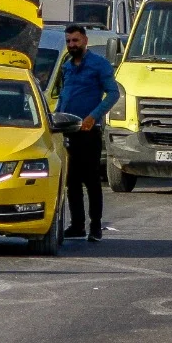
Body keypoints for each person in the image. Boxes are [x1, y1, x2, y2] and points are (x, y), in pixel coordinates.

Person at [56, 24, 120, 242]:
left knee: (91, 180)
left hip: (89, 132)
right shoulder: (67, 66)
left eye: (75, 40)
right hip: (68, 130)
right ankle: (77, 225)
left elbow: (113, 94)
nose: (72, 45)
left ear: (85, 40)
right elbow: (64, 95)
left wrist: (93, 117)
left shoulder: (99, 64)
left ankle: (95, 226)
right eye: (68, 41)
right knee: (71, 180)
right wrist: (56, 118)